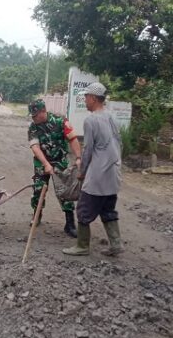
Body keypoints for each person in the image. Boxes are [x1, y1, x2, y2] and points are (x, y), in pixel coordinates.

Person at [62, 82, 124, 256]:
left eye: (86, 97)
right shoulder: (113, 117)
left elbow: (88, 150)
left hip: (97, 175)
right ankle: (116, 244)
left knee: (83, 209)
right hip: (113, 173)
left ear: (94, 98)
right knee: (108, 209)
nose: (85, 100)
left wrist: (82, 172)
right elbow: (120, 144)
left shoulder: (90, 120)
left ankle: (82, 246)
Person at [27, 99, 83, 237]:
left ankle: (69, 224)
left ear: (43, 111)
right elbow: (35, 147)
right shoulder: (33, 127)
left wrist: (78, 158)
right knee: (38, 189)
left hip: (59, 161)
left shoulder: (60, 121)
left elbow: (73, 139)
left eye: (35, 115)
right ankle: (37, 215)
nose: (33, 118)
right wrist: (46, 164)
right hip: (41, 162)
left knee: (65, 191)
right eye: (32, 115)